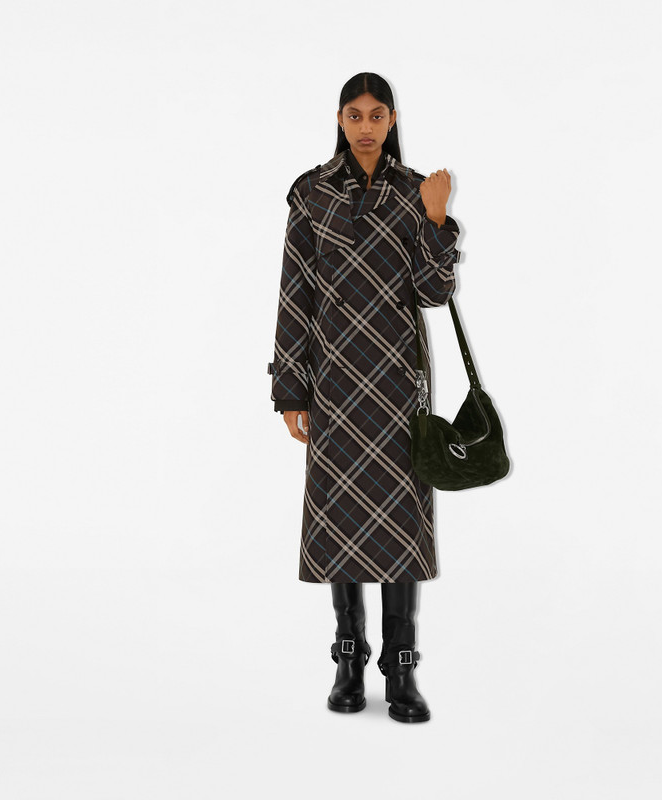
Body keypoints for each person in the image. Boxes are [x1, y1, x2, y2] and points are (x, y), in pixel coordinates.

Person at [267, 72, 461, 723]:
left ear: (393, 119)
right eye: (355, 115)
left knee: (400, 523)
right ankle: (348, 662)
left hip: (397, 385)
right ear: (340, 120)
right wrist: (291, 388)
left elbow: (433, 293)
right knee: (341, 521)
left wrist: (436, 219)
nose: (367, 126)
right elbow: (294, 293)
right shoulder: (311, 193)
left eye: (378, 114)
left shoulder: (414, 192)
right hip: (335, 385)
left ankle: (401, 672)